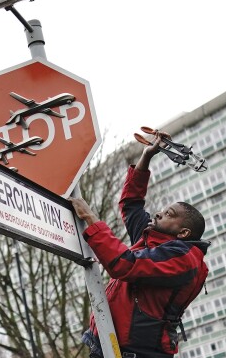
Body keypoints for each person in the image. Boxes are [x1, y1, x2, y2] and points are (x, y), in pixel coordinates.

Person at [69, 130, 210, 358]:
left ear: (183, 232)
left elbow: (124, 265)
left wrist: (91, 219)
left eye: (168, 214)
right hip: (104, 345)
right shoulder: (150, 239)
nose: (158, 213)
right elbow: (131, 205)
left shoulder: (184, 259)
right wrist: (146, 156)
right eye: (163, 210)